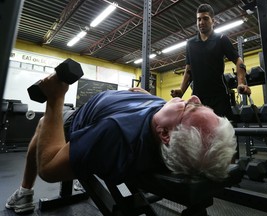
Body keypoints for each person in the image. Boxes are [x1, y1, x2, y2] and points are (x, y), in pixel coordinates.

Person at [6, 74, 237, 213]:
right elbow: (160, 117)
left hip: (77, 120)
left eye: (191, 107)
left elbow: (48, 168)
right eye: (202, 106)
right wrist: (144, 96)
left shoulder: (115, 135)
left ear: (165, 135)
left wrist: (55, 98)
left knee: (44, 122)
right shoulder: (166, 125)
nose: (193, 97)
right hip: (118, 109)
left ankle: (24, 193)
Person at [171, 3, 251, 121]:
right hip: (198, 98)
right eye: (199, 19)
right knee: (200, 135)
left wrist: (240, 83)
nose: (201, 22)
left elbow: (239, 61)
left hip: (219, 98)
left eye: (205, 18)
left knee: (223, 136)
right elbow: (189, 70)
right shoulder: (190, 44)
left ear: (213, 21)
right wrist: (181, 90)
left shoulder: (221, 39)